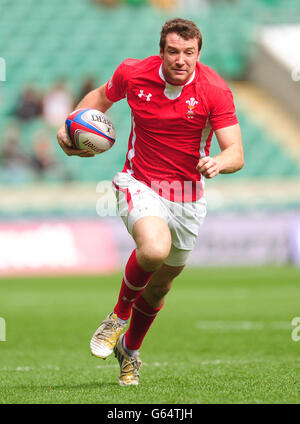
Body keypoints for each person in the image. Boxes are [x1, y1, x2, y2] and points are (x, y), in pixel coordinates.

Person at [57, 18, 244, 386]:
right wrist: (69, 125)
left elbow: (235, 151)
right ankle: (117, 316)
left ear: (198, 54)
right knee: (154, 249)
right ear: (161, 52)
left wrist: (218, 162)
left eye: (189, 53)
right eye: (173, 51)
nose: (181, 60)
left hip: (188, 198)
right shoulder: (133, 73)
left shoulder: (215, 90)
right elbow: (99, 97)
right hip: (139, 182)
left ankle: (129, 351)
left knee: (160, 286)